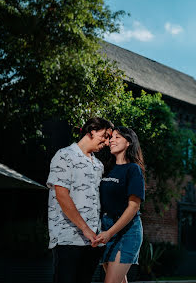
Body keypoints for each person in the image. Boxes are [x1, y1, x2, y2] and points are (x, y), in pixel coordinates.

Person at [47, 117, 114, 283]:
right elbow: (62, 195)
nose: (107, 142)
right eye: (105, 136)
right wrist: (85, 228)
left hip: (94, 241)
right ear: (93, 131)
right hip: (68, 237)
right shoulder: (64, 155)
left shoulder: (99, 165)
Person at [95, 126, 145, 283]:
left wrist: (110, 232)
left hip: (127, 231)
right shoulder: (106, 169)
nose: (111, 141)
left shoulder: (133, 169)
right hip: (105, 228)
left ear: (128, 142)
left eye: (117, 137)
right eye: (111, 138)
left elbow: (133, 207)